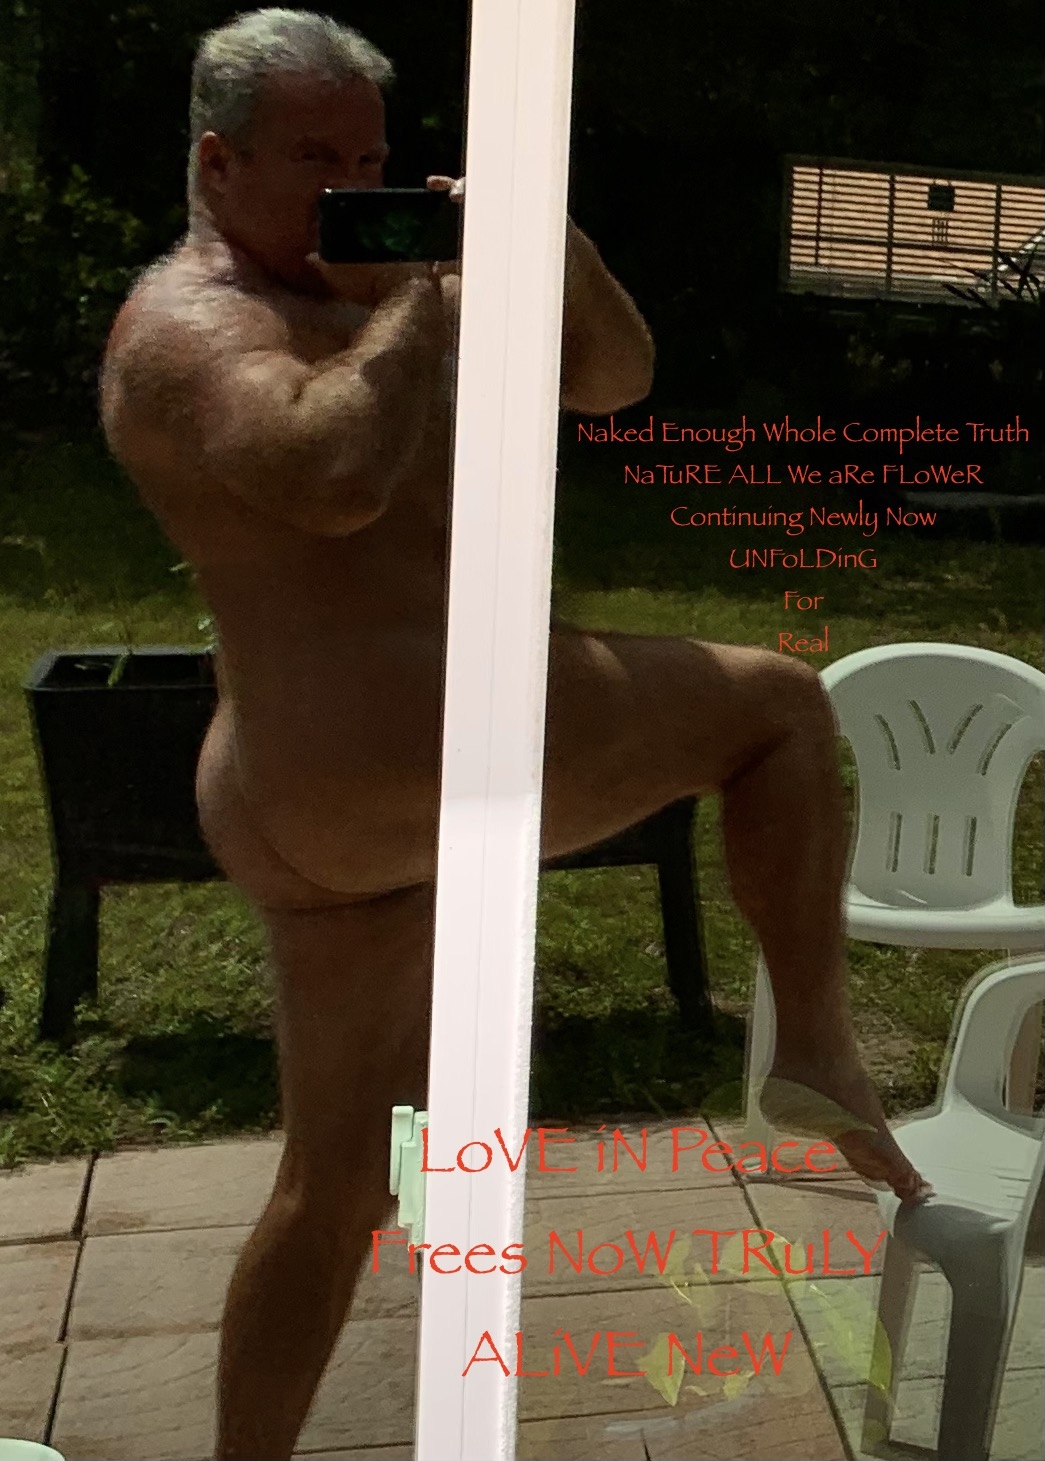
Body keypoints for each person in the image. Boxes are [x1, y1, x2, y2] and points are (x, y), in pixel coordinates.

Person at [99, 8, 928, 1457]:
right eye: (318, 158)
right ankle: (813, 1049)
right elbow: (332, 475)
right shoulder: (188, 325)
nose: (358, 186)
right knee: (777, 706)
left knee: (336, 1179)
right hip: (394, 751)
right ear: (219, 165)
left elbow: (614, 375)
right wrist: (424, 291)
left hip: (314, 803)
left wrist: (543, 237)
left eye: (373, 158)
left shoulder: (373, 294)